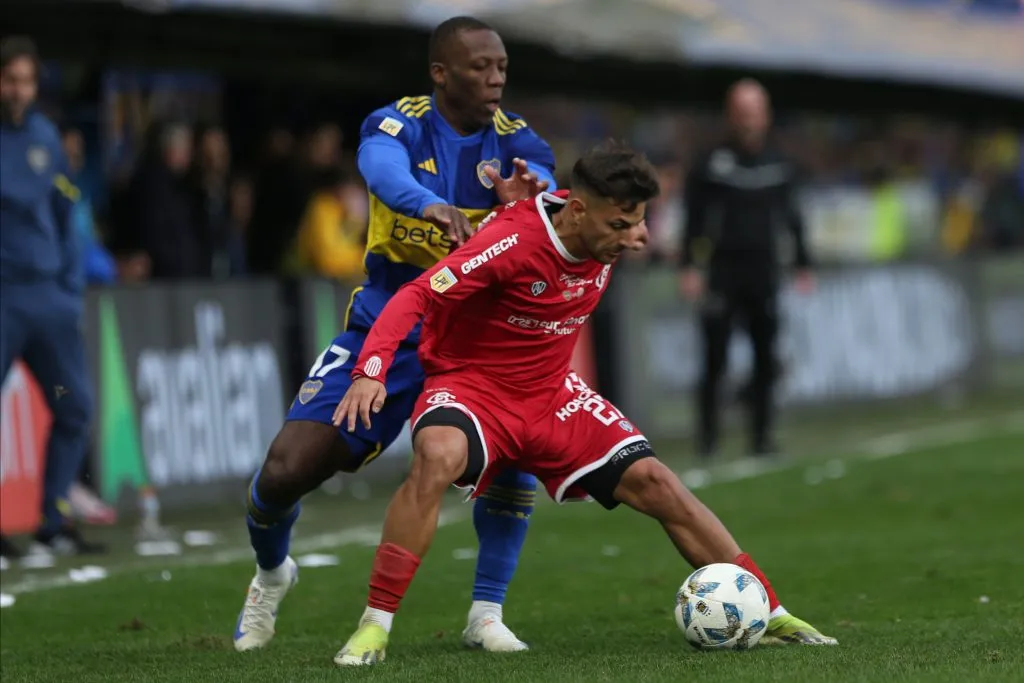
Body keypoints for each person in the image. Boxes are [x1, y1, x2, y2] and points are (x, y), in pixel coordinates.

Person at [332, 142, 837, 666]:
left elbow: (606, 219)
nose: (631, 238)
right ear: (578, 209)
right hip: (473, 387)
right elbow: (416, 295)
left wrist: (631, 228)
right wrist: (371, 370)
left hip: (552, 394)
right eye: (619, 225)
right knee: (436, 455)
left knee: (659, 484)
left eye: (636, 223)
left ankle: (769, 610)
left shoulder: (597, 221)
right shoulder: (512, 241)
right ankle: (375, 626)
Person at [233, 16, 556, 653]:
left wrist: (532, 197)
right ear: (440, 73)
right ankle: (273, 573)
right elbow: (380, 171)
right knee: (285, 469)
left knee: (513, 458)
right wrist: (425, 203)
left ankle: (486, 613)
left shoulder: (520, 142)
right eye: (480, 68)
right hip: (390, 325)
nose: (495, 80)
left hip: (477, 339)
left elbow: (544, 188)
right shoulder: (397, 124)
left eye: (502, 69)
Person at [0, 35, 104, 558]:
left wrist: (68, 281)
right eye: (9, 79)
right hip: (3, 298)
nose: (18, 90)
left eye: (25, 80)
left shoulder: (45, 138)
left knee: (74, 407)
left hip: (47, 300)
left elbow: (67, 207)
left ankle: (53, 521)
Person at [678, 79, 813, 460]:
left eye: (755, 112)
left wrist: (803, 262)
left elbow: (793, 216)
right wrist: (689, 265)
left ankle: (762, 438)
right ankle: (708, 441)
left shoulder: (779, 164)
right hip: (722, 271)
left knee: (766, 359)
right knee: (714, 359)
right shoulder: (711, 163)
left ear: (766, 116)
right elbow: (694, 218)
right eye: (742, 112)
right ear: (730, 115)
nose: (749, 120)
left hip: (765, 271)